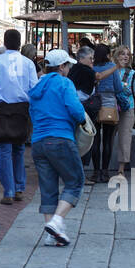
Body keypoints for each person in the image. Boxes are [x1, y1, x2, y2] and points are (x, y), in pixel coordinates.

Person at [28, 49, 89, 247]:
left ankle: (50, 233)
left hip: (39, 141)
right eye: (68, 65)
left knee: (48, 187)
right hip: (61, 138)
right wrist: (81, 120)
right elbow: (76, 109)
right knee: (75, 180)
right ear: (61, 66)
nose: (70, 69)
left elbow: (32, 113)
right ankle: (57, 220)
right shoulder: (64, 83)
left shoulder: (37, 87)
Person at [0, 29, 38, 204]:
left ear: (5, 43)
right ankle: (19, 187)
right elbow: (34, 87)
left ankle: (8, 191)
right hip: (22, 108)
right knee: (19, 148)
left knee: (4, 149)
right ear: (19, 43)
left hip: (4, 108)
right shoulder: (28, 63)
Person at [90, 44, 121, 184]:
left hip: (94, 105)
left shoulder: (92, 68)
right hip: (109, 105)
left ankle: (96, 172)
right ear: (108, 54)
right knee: (108, 140)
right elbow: (119, 88)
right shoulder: (112, 68)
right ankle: (105, 172)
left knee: (95, 140)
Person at [112, 45, 135, 177]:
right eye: (122, 54)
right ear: (116, 56)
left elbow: (129, 91)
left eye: (127, 54)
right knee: (107, 138)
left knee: (125, 138)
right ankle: (103, 167)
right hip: (111, 107)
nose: (125, 56)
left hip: (127, 108)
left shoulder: (131, 73)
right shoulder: (111, 70)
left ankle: (121, 168)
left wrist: (118, 87)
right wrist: (121, 86)